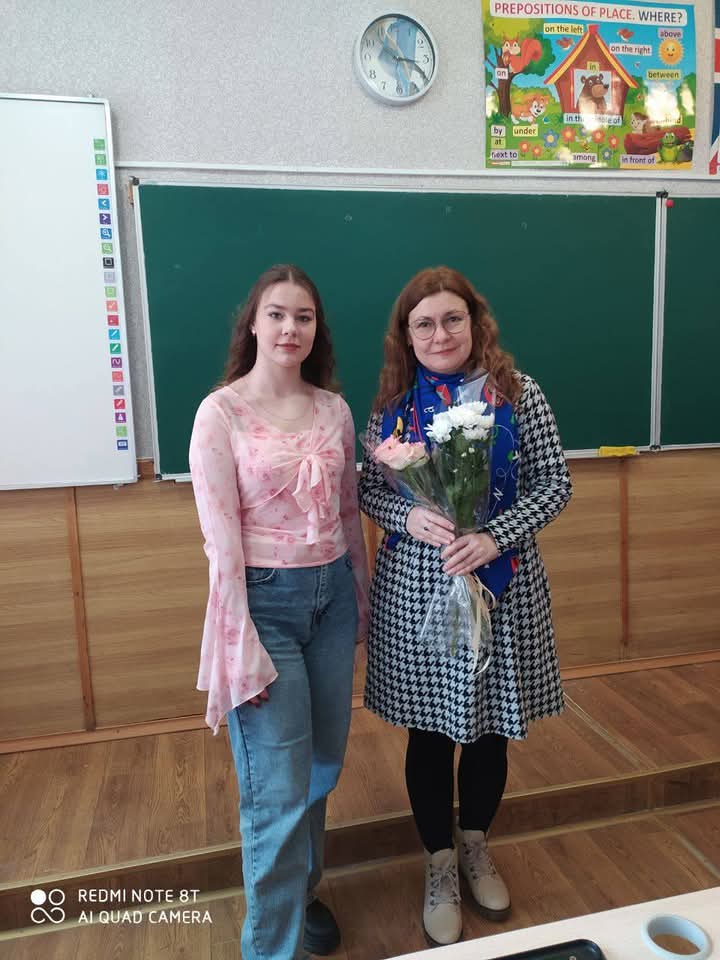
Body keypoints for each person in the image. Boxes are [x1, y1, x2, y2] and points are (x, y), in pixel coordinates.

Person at [358, 266, 572, 946]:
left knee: (487, 730)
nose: (440, 333)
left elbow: (554, 484)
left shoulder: (519, 394)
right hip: (419, 589)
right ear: (407, 336)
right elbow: (368, 489)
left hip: (501, 585)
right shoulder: (394, 406)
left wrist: (494, 536)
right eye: (423, 323)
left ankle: (476, 843)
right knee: (428, 732)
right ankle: (440, 863)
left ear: (476, 323)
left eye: (452, 319)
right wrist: (405, 515)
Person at [189, 264, 369, 960]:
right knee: (278, 788)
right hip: (264, 605)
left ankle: (302, 893)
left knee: (321, 766)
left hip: (332, 601)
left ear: (316, 329)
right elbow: (220, 540)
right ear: (254, 323)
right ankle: (271, 948)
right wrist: (238, 641)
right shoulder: (221, 412)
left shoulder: (334, 410)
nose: (291, 328)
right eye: (277, 314)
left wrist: (361, 600)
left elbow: (349, 515)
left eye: (304, 316)